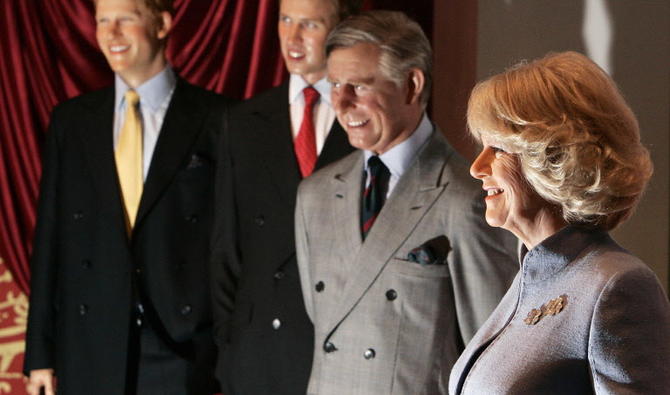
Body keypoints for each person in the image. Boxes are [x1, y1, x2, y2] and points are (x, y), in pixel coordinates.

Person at [294, 11, 518, 395]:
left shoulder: (466, 198)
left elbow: (495, 359)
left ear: (412, 85)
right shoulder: (313, 196)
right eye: (335, 85)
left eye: (361, 86)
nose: (342, 104)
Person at [23, 0, 232, 394]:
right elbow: (50, 241)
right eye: (103, 21)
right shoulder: (72, 121)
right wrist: (40, 355)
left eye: (125, 20)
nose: (110, 34)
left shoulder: (219, 118)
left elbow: (231, 244)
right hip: (90, 344)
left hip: (183, 347)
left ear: (162, 24)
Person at [449, 51, 670, 394]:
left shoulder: (618, 285)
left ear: (556, 157)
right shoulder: (531, 276)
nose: (477, 167)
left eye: (498, 148)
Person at [209, 0, 360, 393]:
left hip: (340, 350)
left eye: (308, 24)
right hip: (257, 356)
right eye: (285, 20)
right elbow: (225, 250)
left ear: (342, 26)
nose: (292, 38)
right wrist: (229, 350)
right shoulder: (241, 123)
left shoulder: (366, 119)